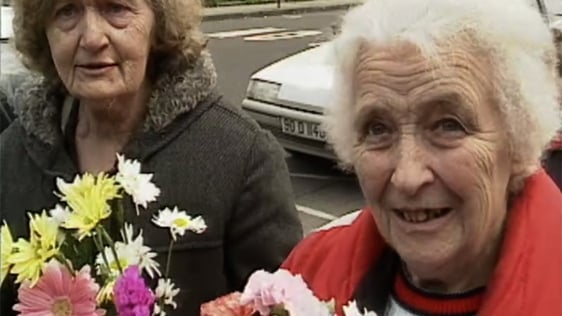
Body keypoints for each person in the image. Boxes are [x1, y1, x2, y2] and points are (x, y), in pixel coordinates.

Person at [0, 0, 303, 315]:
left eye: (116, 9)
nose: (91, 37)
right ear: (41, 29)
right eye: (66, 11)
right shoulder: (11, 155)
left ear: (159, 24)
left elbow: (283, 306)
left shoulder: (242, 154)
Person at [282, 0, 562, 315]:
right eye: (377, 129)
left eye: (448, 126)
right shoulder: (307, 274)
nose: (407, 177)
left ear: (518, 138)